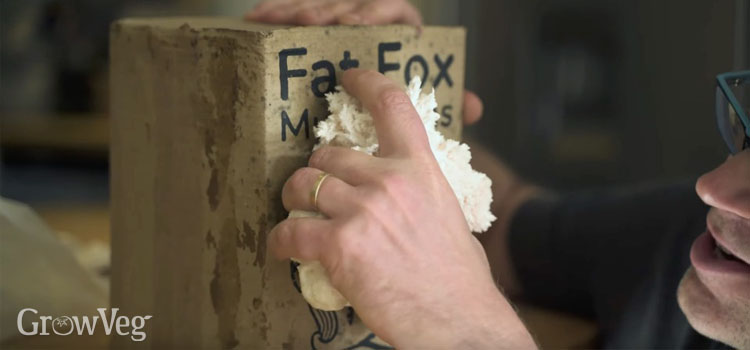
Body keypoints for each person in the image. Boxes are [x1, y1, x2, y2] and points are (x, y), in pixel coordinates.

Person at [248, 1, 750, 348]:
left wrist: (469, 333)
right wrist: (427, 142)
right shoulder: (687, 244)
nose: (713, 188)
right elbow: (506, 220)